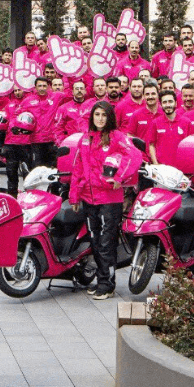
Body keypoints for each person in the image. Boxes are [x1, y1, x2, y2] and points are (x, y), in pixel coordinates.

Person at [70, 101, 141, 299]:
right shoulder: (85, 139)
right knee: (95, 241)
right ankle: (102, 280)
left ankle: (107, 284)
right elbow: (77, 168)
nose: (100, 118)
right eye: (97, 114)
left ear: (110, 117)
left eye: (104, 115)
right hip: (88, 198)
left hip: (110, 199)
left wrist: (120, 178)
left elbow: (135, 156)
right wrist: (74, 196)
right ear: (92, 117)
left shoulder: (117, 137)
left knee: (106, 242)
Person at [147, 90, 192, 167]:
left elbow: (191, 147)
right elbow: (151, 145)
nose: (168, 105)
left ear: (176, 103)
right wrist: (156, 164)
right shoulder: (155, 123)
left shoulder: (186, 122)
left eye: (170, 101)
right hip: (162, 168)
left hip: (182, 168)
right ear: (160, 105)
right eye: (164, 102)